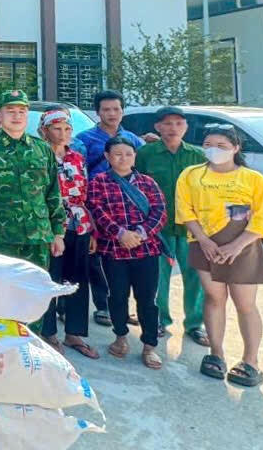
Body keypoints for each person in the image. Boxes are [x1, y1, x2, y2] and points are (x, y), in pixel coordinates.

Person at [177, 124, 263, 387]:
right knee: (213, 298)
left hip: (243, 248)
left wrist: (237, 246)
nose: (214, 150)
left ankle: (251, 361)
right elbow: (185, 210)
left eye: (222, 146)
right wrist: (203, 240)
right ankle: (216, 354)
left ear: (236, 148)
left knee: (245, 304)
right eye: (209, 144)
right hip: (204, 245)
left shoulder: (253, 179)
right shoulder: (191, 175)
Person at [87, 137, 167, 370]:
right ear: (107, 157)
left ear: (135, 156)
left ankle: (150, 345)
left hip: (146, 249)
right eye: (118, 154)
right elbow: (97, 211)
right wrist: (120, 234)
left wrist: (141, 233)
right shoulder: (99, 182)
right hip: (114, 250)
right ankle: (120, 336)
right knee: (117, 296)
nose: (123, 158)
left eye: (128, 154)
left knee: (147, 300)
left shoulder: (147, 183)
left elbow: (159, 211)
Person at [72, 89, 148, 328]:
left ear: (122, 110)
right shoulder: (83, 140)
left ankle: (122, 307)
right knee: (97, 257)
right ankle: (103, 305)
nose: (112, 113)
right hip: (96, 203)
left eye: (116, 109)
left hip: (126, 207)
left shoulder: (135, 141)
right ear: (97, 113)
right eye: (106, 109)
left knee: (122, 257)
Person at [134, 107, 210, 346]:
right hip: (159, 226)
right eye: (167, 123)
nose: (173, 128)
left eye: (178, 123)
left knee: (195, 276)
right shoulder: (146, 154)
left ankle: (195, 324)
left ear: (185, 127)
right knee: (158, 278)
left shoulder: (197, 156)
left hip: (192, 228)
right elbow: (137, 188)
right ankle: (159, 320)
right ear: (158, 127)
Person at [0, 90, 65, 272]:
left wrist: (58, 233)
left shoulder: (42, 149)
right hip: (1, 236)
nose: (17, 116)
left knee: (37, 293)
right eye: (10, 111)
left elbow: (53, 193)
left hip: (38, 235)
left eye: (21, 111)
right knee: (2, 294)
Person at [36, 108, 97, 358]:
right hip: (51, 225)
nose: (62, 134)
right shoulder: (38, 156)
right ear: (45, 131)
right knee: (51, 279)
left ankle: (74, 333)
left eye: (67, 129)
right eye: (57, 128)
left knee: (77, 281)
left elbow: (85, 194)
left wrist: (92, 229)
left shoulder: (77, 157)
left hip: (78, 223)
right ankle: (48, 332)